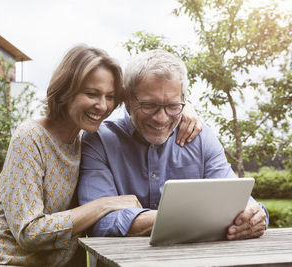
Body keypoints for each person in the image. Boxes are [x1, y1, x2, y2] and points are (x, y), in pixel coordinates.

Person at [0, 45, 200, 266]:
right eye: (92, 93)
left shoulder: (85, 140)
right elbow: (29, 233)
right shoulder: (30, 137)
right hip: (2, 261)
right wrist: (104, 205)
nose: (102, 105)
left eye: (109, 97)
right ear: (66, 90)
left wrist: (183, 109)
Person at [77, 49, 268, 240]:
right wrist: (201, 217)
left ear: (184, 101)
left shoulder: (201, 138)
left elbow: (239, 201)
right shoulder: (99, 141)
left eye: (173, 106)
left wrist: (254, 216)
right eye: (149, 105)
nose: (161, 119)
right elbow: (100, 222)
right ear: (127, 100)